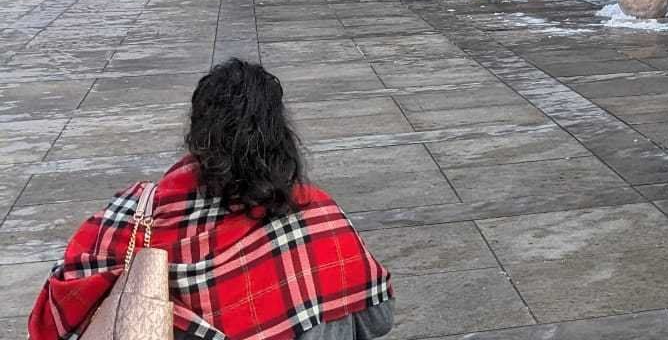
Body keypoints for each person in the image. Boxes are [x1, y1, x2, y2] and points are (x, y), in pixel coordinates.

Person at [29, 58, 394, 340]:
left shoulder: (133, 214)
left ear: (197, 133)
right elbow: (378, 318)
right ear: (280, 134)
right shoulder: (317, 217)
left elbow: (59, 311)